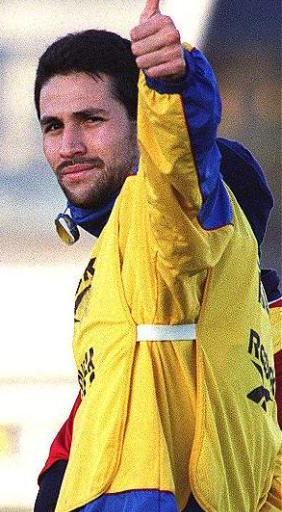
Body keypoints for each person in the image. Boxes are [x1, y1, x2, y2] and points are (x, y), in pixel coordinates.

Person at [31, 0, 281, 510]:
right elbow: (92, 416)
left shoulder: (167, 216)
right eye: (53, 126)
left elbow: (179, 168)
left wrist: (174, 86)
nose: (69, 144)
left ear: (143, 124)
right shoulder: (113, 260)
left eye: (90, 119)